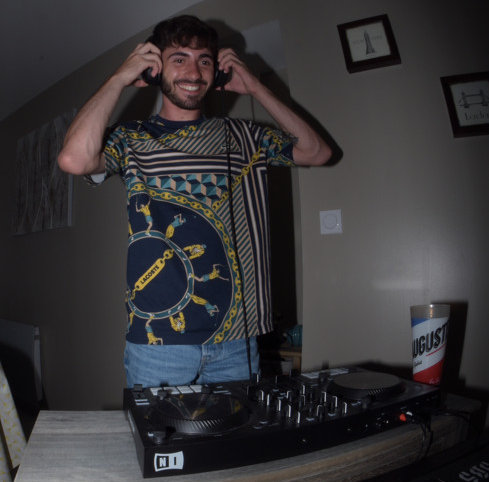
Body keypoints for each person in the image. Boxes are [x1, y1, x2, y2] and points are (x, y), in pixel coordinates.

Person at [58, 15, 332, 388]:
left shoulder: (244, 136)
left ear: (217, 73)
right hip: (159, 343)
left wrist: (255, 87)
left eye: (204, 60)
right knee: (158, 429)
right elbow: (73, 159)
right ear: (155, 70)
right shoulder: (130, 138)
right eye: (179, 58)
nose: (194, 71)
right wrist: (119, 78)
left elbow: (317, 152)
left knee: (237, 429)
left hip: (238, 340)